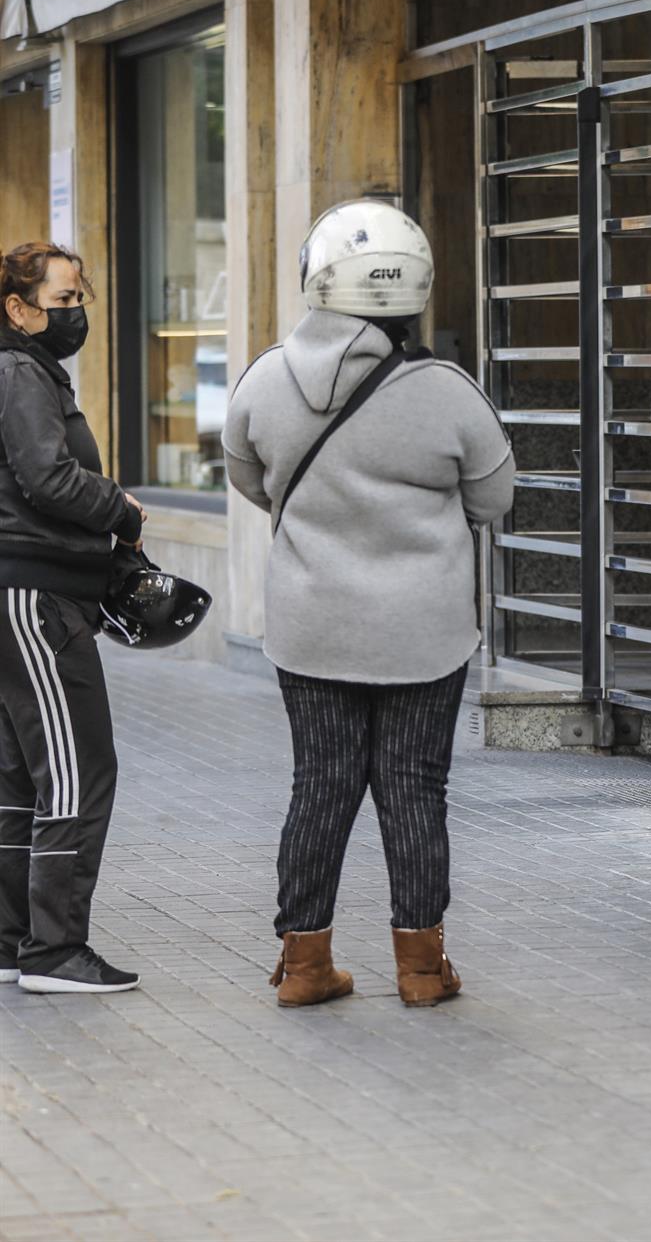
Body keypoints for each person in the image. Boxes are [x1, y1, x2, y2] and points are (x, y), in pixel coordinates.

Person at [222, 199, 515, 1009]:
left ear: (317, 278)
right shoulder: (448, 391)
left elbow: (248, 477)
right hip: (425, 630)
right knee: (414, 788)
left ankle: (306, 966)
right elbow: (495, 499)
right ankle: (422, 970)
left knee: (320, 783)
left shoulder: (265, 378)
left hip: (310, 622)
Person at [0, 242, 145, 994]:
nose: (77, 312)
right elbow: (46, 476)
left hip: (17, 592)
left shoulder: (17, 367)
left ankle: (13, 940)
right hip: (34, 596)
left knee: (19, 774)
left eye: (81, 296)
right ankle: (55, 950)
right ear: (17, 310)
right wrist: (119, 506)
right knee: (75, 768)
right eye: (63, 301)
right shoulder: (20, 370)